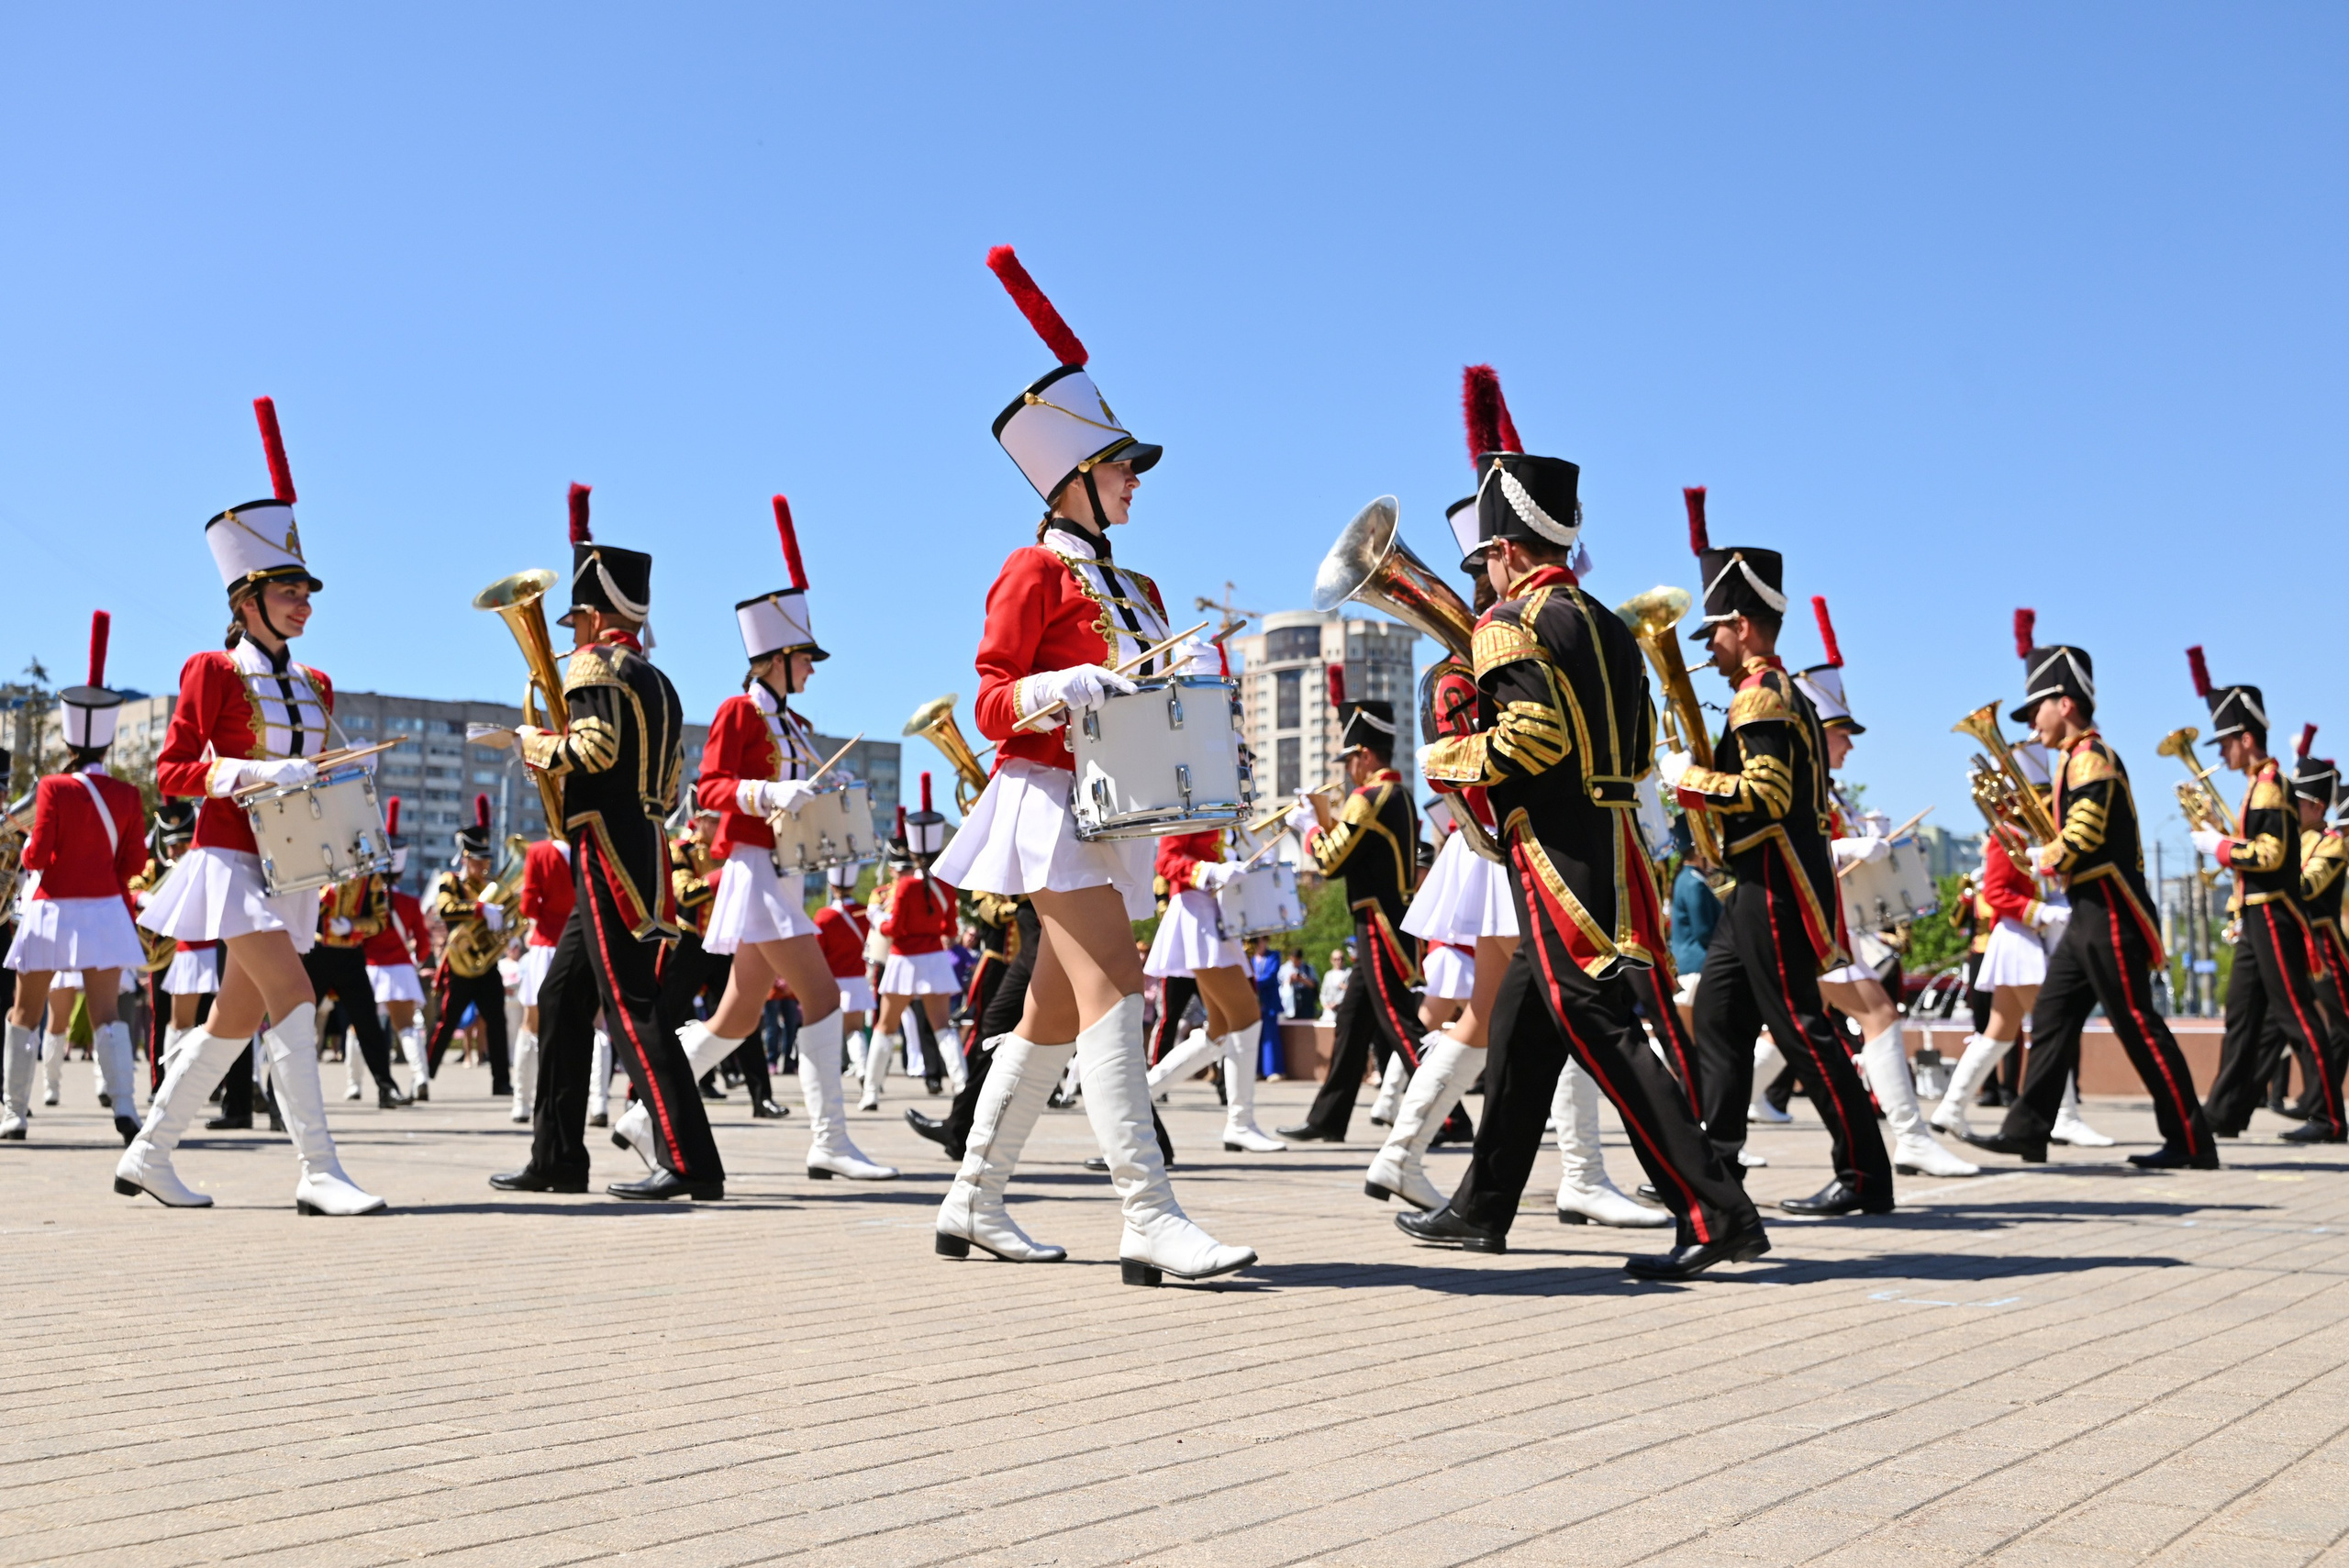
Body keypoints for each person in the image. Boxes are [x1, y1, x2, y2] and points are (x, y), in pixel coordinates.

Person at [929, 246, 1252, 1284]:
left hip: (1114, 806)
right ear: (1072, 477)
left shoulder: (1143, 586)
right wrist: (1059, 689)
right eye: (1121, 468)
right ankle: (1147, 1212)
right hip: (1045, 801)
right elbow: (987, 700)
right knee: (1115, 983)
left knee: (1053, 1010)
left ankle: (972, 1197)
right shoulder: (1028, 567)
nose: (1135, 483)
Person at [1395, 436, 1764, 1275]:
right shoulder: (1606, 623)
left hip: (1551, 850)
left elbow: (1530, 735)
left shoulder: (1508, 623)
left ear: (1508, 550)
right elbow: (1636, 753)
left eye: (1488, 554)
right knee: (1527, 1025)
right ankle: (1485, 1206)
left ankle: (1714, 1210)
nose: (1485, 569)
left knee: (1598, 1025)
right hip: (1610, 841)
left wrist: (1445, 759)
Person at [120, 399, 384, 1214]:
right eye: (289, 588)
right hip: (230, 860)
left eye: (307, 588)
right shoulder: (209, 669)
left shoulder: (318, 685)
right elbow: (173, 771)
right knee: (297, 997)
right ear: (246, 597)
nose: (305, 602)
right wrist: (247, 776)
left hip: (293, 868)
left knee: (235, 1020)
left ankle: (150, 1152)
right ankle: (318, 1171)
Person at [1663, 489, 1896, 1218]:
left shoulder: (1761, 695)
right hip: (1754, 884)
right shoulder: (1769, 689)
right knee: (1723, 1019)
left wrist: (1688, 779)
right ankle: (1719, 1166)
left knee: (1799, 1026)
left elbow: (1762, 794)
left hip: (1774, 880)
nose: (1708, 652)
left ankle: (1863, 1174)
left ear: (1742, 624)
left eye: (1714, 635)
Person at [657, 495, 893, 1182]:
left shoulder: (793, 723)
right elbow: (709, 789)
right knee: (823, 998)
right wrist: (769, 792)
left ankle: (647, 1112)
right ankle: (830, 1140)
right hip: (753, 867)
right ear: (777, 659)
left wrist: (823, 790)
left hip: (782, 870)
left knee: (737, 1014)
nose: (814, 669)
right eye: (805, 659)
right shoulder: (738, 709)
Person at [490, 483, 713, 1201]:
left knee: (628, 1006)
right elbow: (672, 783)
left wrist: (531, 741)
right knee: (561, 997)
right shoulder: (659, 678)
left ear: (593, 613)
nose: (572, 629)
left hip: (604, 847)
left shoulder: (591, 667)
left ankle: (688, 1160)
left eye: (577, 616)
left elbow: (589, 748)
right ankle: (557, 1154)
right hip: (641, 839)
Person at [1959, 628, 2216, 1166]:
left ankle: (2192, 1142)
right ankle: (2028, 1130)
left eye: (2037, 711)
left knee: (2137, 1024)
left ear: (2065, 704)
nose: (2031, 725)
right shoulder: (2072, 760)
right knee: (2052, 1017)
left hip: (2111, 910)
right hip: (2088, 912)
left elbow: (2082, 838)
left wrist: (2037, 857)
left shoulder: (2091, 758)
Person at [1794, 597, 1978, 1179]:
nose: (1849, 745)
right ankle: (1911, 1137)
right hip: (1805, 923)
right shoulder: (1807, 783)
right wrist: (1846, 848)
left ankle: (1708, 1137)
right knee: (1877, 1015)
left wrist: (1865, 839)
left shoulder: (1829, 790)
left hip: (1829, 926)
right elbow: (1790, 847)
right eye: (1842, 733)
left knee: (1768, 1031)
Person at [2186, 652, 2345, 1143]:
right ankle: (2226, 1112)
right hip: (2255, 917)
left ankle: (2330, 1115)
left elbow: (2272, 855)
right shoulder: (2258, 787)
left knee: (2295, 1014)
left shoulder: (2272, 786)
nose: (2222, 754)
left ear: (2247, 739)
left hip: (2275, 913)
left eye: (2226, 744)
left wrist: (2221, 846)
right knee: (2241, 1020)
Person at [3, 613, 147, 1146]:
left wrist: (34, 850)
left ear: (69, 737)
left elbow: (38, 854)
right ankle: (127, 1111)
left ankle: (14, 1114)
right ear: (108, 742)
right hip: (105, 909)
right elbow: (132, 864)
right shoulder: (130, 796)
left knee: (26, 1010)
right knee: (109, 1014)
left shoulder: (52, 788)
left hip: (52, 907)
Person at [1276, 700, 1424, 1144]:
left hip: (1377, 922)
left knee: (1399, 1022)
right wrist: (1324, 820)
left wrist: (1308, 827)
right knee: (1352, 1023)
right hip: (1382, 920)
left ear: (1365, 755)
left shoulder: (1370, 797)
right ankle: (1328, 1117)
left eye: (1350, 760)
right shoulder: (1395, 796)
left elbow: (1330, 860)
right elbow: (1354, 847)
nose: (1348, 770)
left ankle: (1448, 1114)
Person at [1138, 825, 1288, 1153]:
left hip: (1218, 913)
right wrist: (1209, 870)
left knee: (1219, 1029)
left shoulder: (1227, 796)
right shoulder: (1192, 785)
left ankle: (1138, 1095)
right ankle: (1240, 1123)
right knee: (1247, 1016)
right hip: (1196, 911)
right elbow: (1166, 859)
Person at [873, 784, 964, 1105]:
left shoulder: (904, 886)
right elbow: (950, 928)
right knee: (943, 1026)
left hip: (903, 959)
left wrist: (875, 920)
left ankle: (871, 1092)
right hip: (934, 960)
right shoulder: (946, 885)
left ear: (911, 850)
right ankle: (961, 1083)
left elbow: (894, 928)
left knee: (885, 1026)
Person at [423, 796, 514, 1099]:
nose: (484, 866)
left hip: (486, 966)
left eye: (486, 860)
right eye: (478, 860)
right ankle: (424, 1076)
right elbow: (445, 909)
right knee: (446, 1021)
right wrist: (479, 909)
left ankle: (501, 1080)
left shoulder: (493, 883)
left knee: (497, 1021)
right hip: (459, 965)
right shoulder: (451, 881)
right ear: (465, 858)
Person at [309, 834, 408, 1112]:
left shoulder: (370, 878)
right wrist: (327, 892)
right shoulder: (316, 868)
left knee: (368, 1024)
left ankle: (386, 1087)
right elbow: (302, 908)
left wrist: (352, 926)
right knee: (300, 1021)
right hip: (317, 953)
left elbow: (379, 921)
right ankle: (278, 1096)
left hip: (350, 953)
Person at [508, 823, 574, 1124]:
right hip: (578, 943)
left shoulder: (539, 851)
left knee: (531, 1024)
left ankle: (522, 1102)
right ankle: (594, 1103)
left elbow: (528, 906)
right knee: (592, 1025)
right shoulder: (588, 849)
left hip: (546, 944)